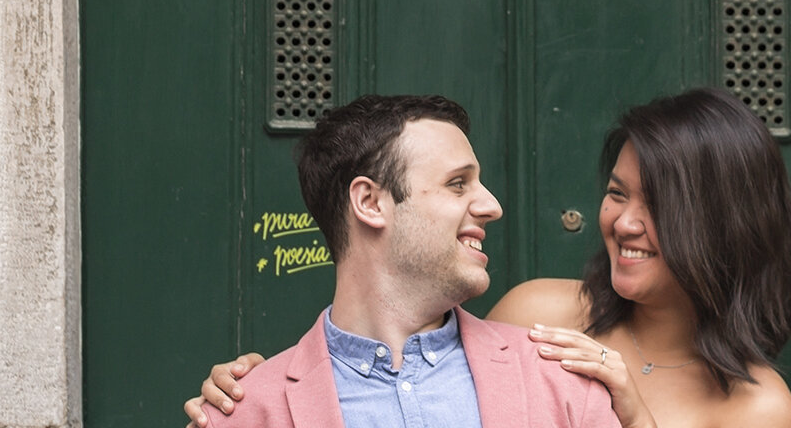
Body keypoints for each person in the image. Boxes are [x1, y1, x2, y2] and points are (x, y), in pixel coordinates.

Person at [188, 88, 791, 428]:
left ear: (719, 222)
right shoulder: (540, 316)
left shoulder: (757, 407)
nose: (624, 223)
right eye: (617, 194)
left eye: (658, 206)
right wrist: (253, 394)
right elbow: (393, 332)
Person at [196, 94, 619, 428]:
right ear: (370, 202)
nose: (491, 205)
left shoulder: (562, 386)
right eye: (457, 184)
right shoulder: (243, 412)